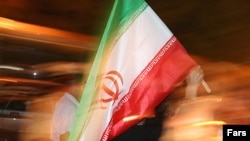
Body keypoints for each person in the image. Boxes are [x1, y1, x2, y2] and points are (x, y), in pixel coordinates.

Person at [50, 75, 85, 141]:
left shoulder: (65, 102)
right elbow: (65, 137)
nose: (84, 90)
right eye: (82, 86)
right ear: (74, 88)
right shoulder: (70, 108)